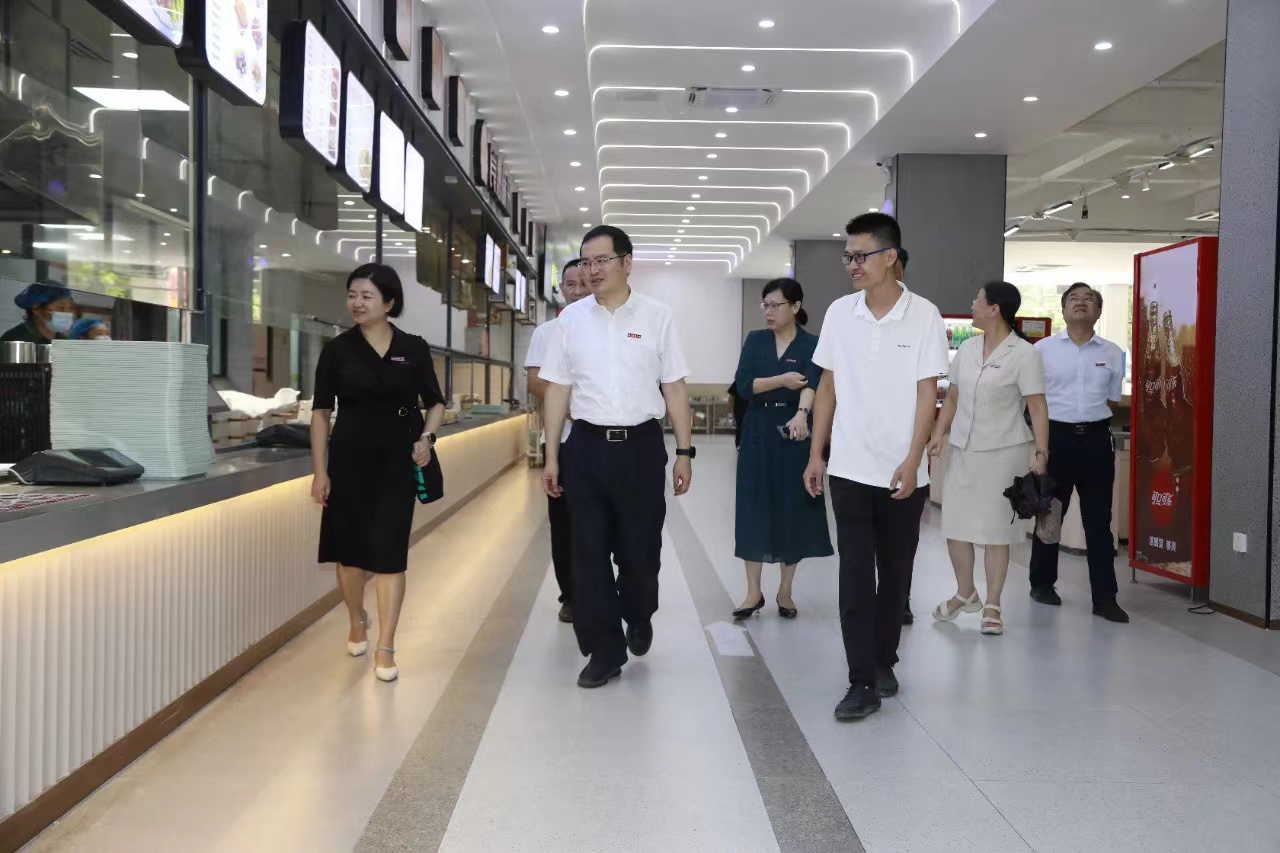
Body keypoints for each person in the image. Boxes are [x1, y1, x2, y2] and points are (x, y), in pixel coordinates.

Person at [804, 213, 948, 721]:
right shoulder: (840, 313)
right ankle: (860, 679)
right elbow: (827, 386)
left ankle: (884, 659)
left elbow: (927, 393)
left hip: (902, 473)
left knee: (896, 573)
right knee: (854, 576)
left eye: (860, 255)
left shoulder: (924, 315)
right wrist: (817, 453)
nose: (852, 265)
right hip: (849, 467)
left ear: (890, 257)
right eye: (847, 256)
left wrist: (913, 458)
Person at [540, 225, 694, 689]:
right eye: (586, 262)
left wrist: (684, 451)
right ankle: (604, 651)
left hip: (641, 449)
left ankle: (639, 612)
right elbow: (557, 390)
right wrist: (552, 455)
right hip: (585, 449)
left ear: (627, 263)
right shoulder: (570, 320)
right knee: (587, 554)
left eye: (601, 261)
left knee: (639, 553)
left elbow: (675, 387)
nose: (592, 270)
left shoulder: (657, 316)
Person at [309, 264, 446, 683]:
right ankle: (356, 618)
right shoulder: (337, 350)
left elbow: (435, 402)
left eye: (366, 296)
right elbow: (320, 413)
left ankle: (386, 645)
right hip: (348, 461)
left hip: (397, 462)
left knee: (389, 555)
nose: (357, 303)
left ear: (389, 303)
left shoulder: (413, 348)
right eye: (352, 294)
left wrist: (427, 438)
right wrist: (319, 472)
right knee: (349, 557)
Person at [928, 282, 1050, 636]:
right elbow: (953, 397)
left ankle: (993, 603)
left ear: (995, 308)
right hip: (963, 448)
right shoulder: (967, 349)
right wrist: (938, 434)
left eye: (978, 300)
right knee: (955, 525)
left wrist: (1041, 452)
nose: (973, 305)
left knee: (997, 530)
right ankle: (965, 592)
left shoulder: (1024, 354)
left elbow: (1037, 406)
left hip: (1004, 451)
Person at [732, 277, 833, 620]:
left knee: (792, 509)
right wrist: (782, 381)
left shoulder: (811, 344)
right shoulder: (756, 340)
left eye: (775, 305)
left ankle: (785, 591)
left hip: (794, 433)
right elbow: (744, 385)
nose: (769, 312)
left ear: (796, 306)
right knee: (753, 506)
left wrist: (802, 413)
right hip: (758, 429)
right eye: (765, 305)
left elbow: (812, 384)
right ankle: (752, 592)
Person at [1028, 283, 1129, 623]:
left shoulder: (1113, 352)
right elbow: (1034, 399)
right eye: (1074, 298)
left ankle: (1105, 598)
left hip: (1096, 441)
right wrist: (1040, 449)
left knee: (1099, 521)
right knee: (1050, 515)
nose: (1081, 303)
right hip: (1056, 438)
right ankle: (1042, 584)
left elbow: (1113, 399)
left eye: (1088, 299)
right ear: (1063, 310)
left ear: (1098, 311)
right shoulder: (1043, 349)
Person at [525, 258, 589, 623]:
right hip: (561, 441)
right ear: (561, 289)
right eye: (570, 284)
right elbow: (536, 382)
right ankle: (571, 595)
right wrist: (572, 408)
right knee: (563, 522)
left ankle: (599, 588)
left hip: (602, 442)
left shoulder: (609, 329)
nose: (577, 290)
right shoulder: (546, 333)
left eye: (584, 283)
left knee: (600, 519)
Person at [1, 283, 74, 344]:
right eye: (60, 307)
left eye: (69, 308)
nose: (66, 313)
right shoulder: (15, 340)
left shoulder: (63, 341)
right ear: (36, 309)